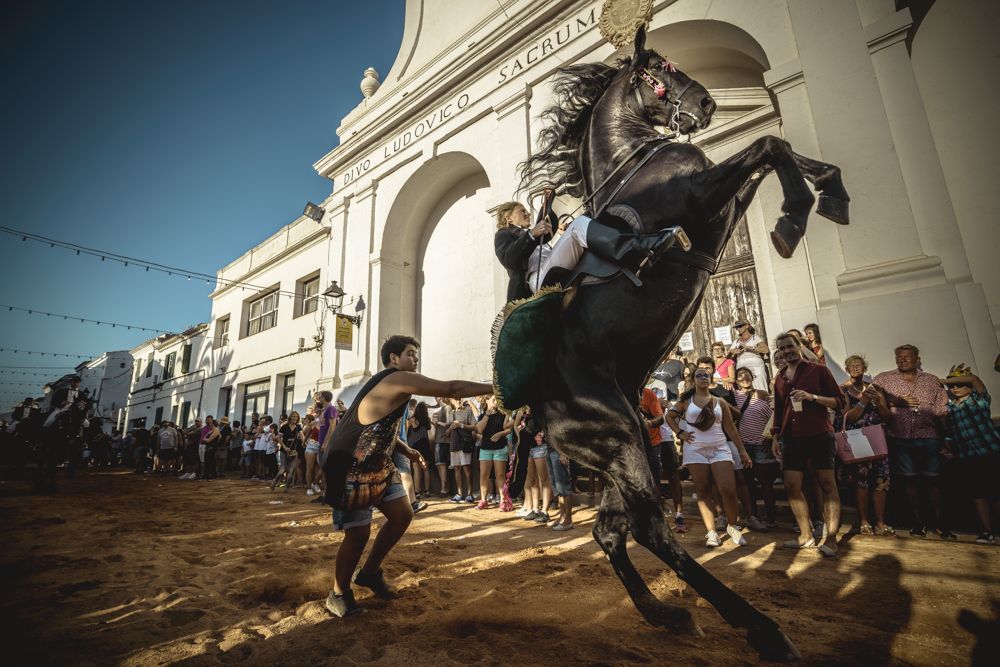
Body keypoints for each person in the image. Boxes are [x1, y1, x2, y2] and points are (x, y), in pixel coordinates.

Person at [322, 335, 491, 617]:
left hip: (376, 462)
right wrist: (497, 386)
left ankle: (370, 573)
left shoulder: (393, 385)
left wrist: (406, 448)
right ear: (393, 359)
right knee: (358, 534)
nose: (415, 359)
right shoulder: (396, 378)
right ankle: (338, 594)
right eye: (411, 353)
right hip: (349, 464)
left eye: (416, 354)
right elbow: (451, 387)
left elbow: (377, 424)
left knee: (402, 514)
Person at [771, 332, 846, 557]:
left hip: (819, 433)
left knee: (827, 484)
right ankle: (805, 536)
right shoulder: (780, 377)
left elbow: (840, 402)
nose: (787, 351)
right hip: (791, 436)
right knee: (792, 485)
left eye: (790, 347)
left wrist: (811, 397)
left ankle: (831, 539)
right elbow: (779, 409)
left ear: (799, 346)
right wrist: (776, 436)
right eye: (782, 348)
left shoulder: (819, 370)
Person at [665, 367, 752, 548]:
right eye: (699, 375)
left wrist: (742, 450)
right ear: (694, 380)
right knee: (703, 490)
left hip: (719, 447)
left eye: (706, 375)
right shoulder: (686, 401)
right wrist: (680, 432)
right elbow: (669, 416)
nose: (703, 378)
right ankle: (711, 532)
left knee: (728, 489)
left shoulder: (719, 401)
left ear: (710, 379)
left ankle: (732, 526)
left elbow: (731, 428)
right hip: (695, 449)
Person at [873, 344, 952, 539]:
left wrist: (946, 439)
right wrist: (895, 402)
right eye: (899, 357)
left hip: (929, 438)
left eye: (907, 357)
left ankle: (940, 524)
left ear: (917, 359)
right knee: (910, 482)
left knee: (934, 481)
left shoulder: (932, 380)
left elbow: (943, 411)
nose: (902, 360)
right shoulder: (884, 379)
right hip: (900, 438)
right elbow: (873, 397)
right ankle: (919, 523)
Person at [941, 364, 1000, 544]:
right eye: (952, 386)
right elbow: (949, 433)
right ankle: (987, 530)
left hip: (989, 452)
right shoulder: (950, 408)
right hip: (968, 456)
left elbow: (974, 380)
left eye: (959, 384)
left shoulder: (979, 400)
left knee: (996, 492)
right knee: (978, 493)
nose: (955, 388)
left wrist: (944, 380)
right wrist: (949, 450)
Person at [837, 355, 894, 536]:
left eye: (859, 364)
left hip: (877, 438)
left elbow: (887, 417)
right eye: (852, 365)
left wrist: (877, 401)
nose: (855, 367)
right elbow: (847, 417)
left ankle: (880, 522)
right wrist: (863, 402)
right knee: (861, 481)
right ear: (846, 369)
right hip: (857, 439)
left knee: (881, 481)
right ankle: (864, 521)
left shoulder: (875, 387)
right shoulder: (843, 390)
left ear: (864, 368)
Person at [733, 368, 775, 530]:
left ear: (752, 377)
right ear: (736, 380)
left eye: (747, 375)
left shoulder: (762, 394)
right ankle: (753, 516)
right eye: (740, 376)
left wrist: (769, 438)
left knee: (766, 482)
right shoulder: (734, 396)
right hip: (743, 445)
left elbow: (773, 416)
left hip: (762, 444)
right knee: (748, 482)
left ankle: (771, 517)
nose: (744, 378)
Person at [475, 395, 511, 510]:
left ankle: (503, 501)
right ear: (487, 401)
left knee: (500, 475)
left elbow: (511, 428)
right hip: (485, 449)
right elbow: (479, 429)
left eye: (497, 399)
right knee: (484, 475)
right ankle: (483, 500)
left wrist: (500, 434)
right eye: (493, 399)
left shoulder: (503, 414)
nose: (496, 402)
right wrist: (487, 413)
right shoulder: (482, 415)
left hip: (500, 448)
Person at [447, 398, 478, 503]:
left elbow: (475, 426)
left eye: (459, 399)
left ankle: (470, 494)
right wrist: (451, 427)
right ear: (451, 401)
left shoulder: (468, 410)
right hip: (454, 443)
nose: (458, 400)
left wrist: (461, 425)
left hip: (465, 442)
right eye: (455, 399)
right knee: (457, 468)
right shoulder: (451, 412)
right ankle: (459, 494)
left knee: (466, 467)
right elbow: (447, 432)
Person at [730, 320, 770, 391]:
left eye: (740, 326)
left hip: (756, 365)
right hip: (742, 364)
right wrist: (735, 351)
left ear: (747, 326)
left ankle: (762, 400)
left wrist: (750, 348)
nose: (738, 329)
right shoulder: (736, 341)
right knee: (744, 385)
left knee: (759, 384)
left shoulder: (755, 338)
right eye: (737, 327)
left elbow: (766, 350)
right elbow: (730, 353)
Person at [406, 402, 433, 498]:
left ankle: (417, 492)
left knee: (416, 470)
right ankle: (427, 491)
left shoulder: (412, 419)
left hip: (414, 446)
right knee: (425, 469)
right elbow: (430, 434)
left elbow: (405, 431)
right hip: (425, 446)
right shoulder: (427, 420)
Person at [272, 411, 301, 491]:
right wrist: (285, 447)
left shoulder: (298, 427)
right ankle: (275, 481)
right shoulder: (284, 427)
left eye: (296, 417)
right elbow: (279, 439)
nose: (295, 418)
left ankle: (287, 487)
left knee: (291, 470)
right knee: (283, 469)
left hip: (294, 451)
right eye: (293, 416)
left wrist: (304, 440)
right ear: (290, 417)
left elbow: (302, 436)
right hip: (284, 450)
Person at [432, 399, 453, 496]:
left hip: (444, 440)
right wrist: (434, 423)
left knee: (442, 464)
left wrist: (437, 422)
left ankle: (444, 489)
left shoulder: (447, 407)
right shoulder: (438, 409)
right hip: (438, 439)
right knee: (439, 465)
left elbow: (449, 423)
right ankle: (444, 488)